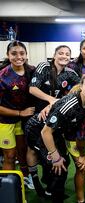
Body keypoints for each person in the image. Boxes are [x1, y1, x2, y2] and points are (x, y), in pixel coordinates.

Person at [39, 73, 85, 203]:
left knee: (64, 165)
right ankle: (49, 193)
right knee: (57, 165)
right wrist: (55, 156)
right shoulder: (70, 104)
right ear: (81, 86)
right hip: (40, 131)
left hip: (59, 133)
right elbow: (45, 132)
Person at [28, 45, 79, 195]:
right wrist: (52, 100)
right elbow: (32, 88)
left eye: (67, 54)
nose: (64, 56)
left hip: (54, 119)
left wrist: (63, 99)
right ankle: (36, 181)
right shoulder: (44, 66)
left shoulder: (69, 72)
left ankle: (51, 186)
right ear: (54, 55)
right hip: (36, 117)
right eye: (61, 53)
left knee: (51, 154)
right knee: (34, 150)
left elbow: (81, 86)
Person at [0, 41, 35, 189]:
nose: (18, 57)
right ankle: (7, 185)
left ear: (26, 55)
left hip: (24, 121)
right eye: (14, 53)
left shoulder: (32, 71)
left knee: (22, 152)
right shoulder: (2, 76)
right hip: (6, 120)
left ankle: (25, 179)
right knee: (10, 155)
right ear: (8, 55)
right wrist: (20, 112)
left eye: (22, 53)